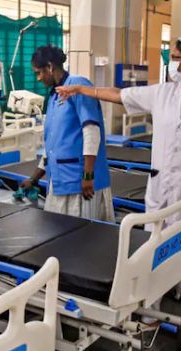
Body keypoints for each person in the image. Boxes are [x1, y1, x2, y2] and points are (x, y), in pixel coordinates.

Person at [57, 30, 181, 351]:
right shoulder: (162, 94)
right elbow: (119, 95)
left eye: (174, 58)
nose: (170, 63)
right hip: (159, 197)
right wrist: (81, 89)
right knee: (153, 259)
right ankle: (151, 315)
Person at [21, 45, 115, 222]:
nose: (38, 78)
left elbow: (92, 131)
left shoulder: (78, 85)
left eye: (39, 72)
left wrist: (88, 175)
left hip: (81, 184)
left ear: (50, 67)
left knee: (84, 235)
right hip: (59, 181)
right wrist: (33, 179)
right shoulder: (54, 96)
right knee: (58, 232)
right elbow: (52, 147)